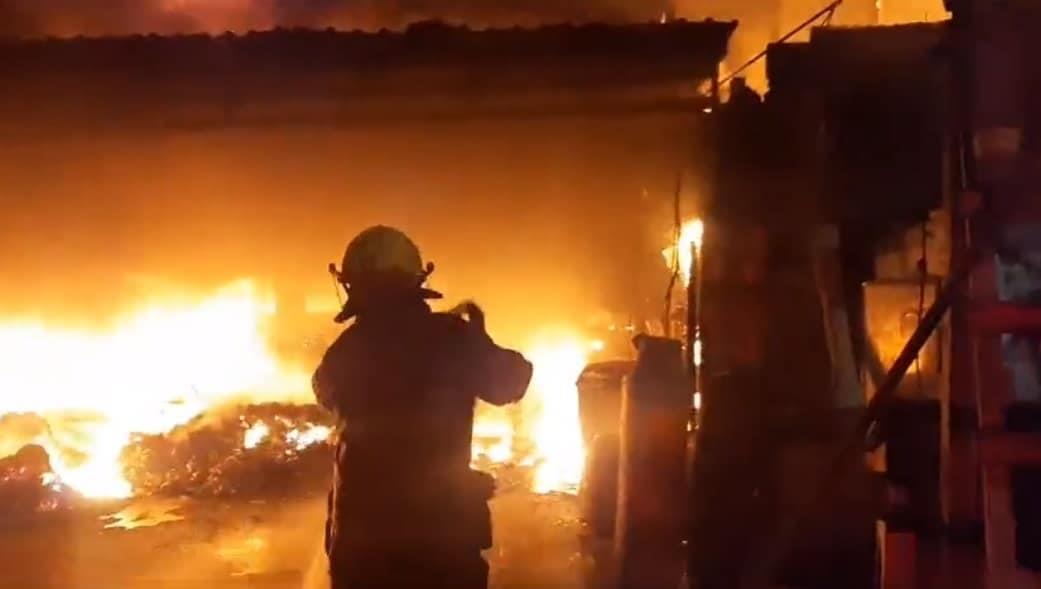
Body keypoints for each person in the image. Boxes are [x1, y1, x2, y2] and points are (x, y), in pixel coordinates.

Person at [313, 225, 533, 589]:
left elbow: (325, 392)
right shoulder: (453, 339)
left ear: (352, 285)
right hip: (441, 547)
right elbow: (512, 381)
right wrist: (477, 338)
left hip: (361, 552)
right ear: (417, 279)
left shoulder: (345, 351)